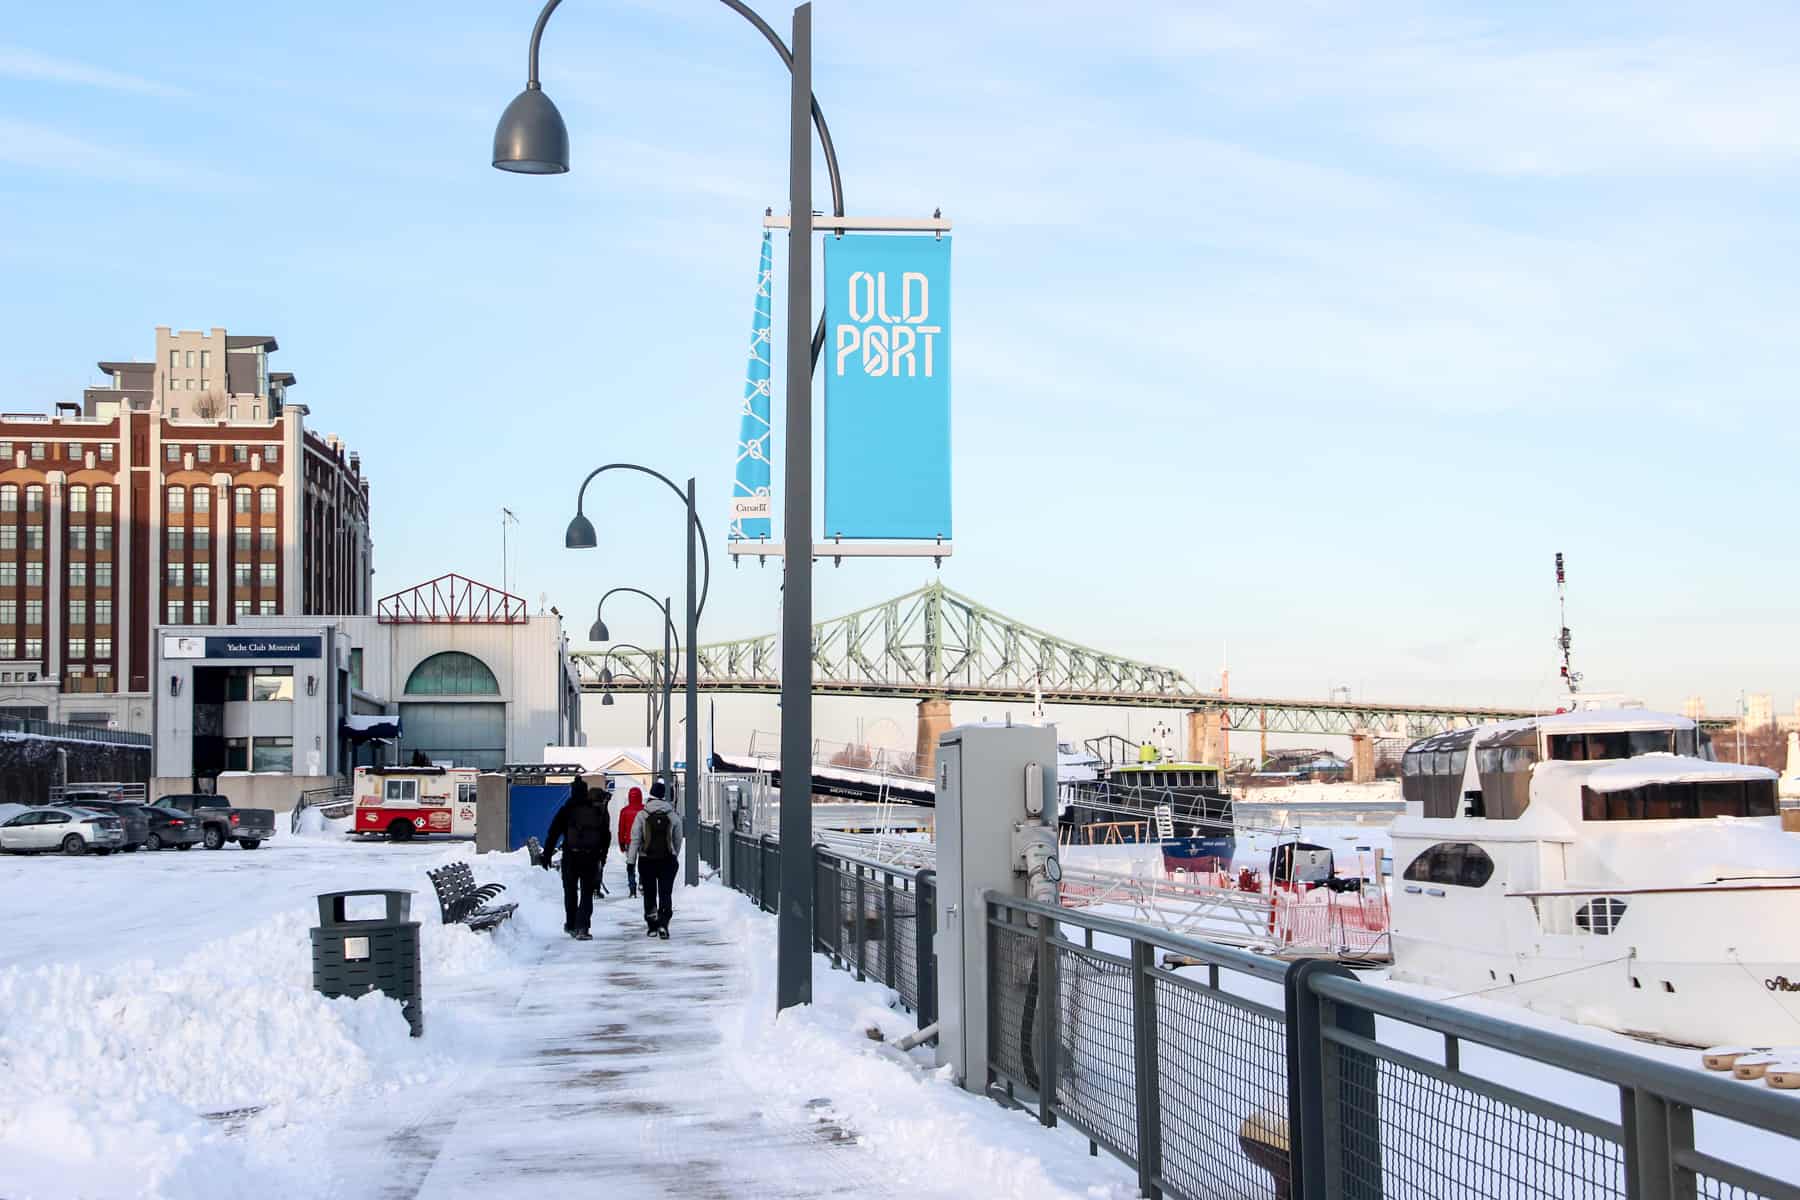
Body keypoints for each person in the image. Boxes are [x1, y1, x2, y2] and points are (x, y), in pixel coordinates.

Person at [543, 776, 611, 940]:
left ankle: (571, 924)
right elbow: (605, 835)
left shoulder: (567, 809)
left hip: (571, 856)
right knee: (587, 892)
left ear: (572, 791)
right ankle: (583, 927)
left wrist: (547, 855)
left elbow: (553, 833)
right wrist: (602, 856)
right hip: (590, 857)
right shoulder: (595, 810)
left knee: (570, 891)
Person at [628, 778, 682, 939]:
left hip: (646, 860)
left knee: (650, 893)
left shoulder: (642, 815)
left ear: (650, 794)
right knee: (665, 893)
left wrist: (631, 861)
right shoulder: (672, 815)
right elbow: (678, 839)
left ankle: (652, 926)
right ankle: (664, 923)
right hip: (667, 860)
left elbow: (635, 839)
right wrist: (674, 854)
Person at [617, 785, 646, 898]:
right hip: (643, 841)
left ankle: (632, 889)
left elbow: (621, 829)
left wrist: (621, 844)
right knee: (643, 864)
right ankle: (642, 884)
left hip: (629, 842)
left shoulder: (624, 811)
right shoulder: (645, 810)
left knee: (630, 865)